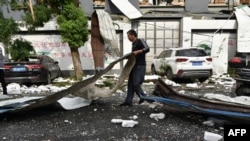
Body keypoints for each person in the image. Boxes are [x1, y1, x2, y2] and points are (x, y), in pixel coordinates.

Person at [120, 29, 150, 106]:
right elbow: (134, 55)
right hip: (133, 66)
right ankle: (128, 101)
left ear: (133, 35)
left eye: (129, 36)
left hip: (140, 65)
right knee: (130, 84)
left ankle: (143, 97)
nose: (128, 38)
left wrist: (137, 52)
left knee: (136, 83)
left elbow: (147, 49)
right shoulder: (133, 44)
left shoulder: (140, 40)